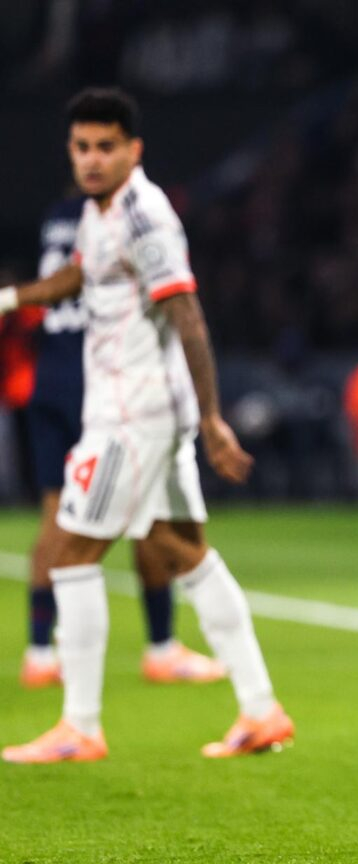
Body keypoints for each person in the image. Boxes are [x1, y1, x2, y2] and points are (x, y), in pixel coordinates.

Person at [0, 88, 293, 763]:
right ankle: (260, 709)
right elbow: (79, 275)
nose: (92, 159)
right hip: (143, 412)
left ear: (134, 150)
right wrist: (11, 298)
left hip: (131, 416)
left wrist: (213, 418)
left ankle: (80, 727)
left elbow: (187, 313)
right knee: (183, 549)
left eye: (106, 147)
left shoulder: (142, 216)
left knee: (71, 554)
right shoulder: (97, 212)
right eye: (82, 147)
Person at [18, 194, 226, 689]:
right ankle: (161, 648)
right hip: (108, 381)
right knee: (150, 517)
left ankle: (40, 653)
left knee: (56, 515)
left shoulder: (57, 217)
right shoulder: (122, 215)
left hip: (51, 378)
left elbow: (60, 283)